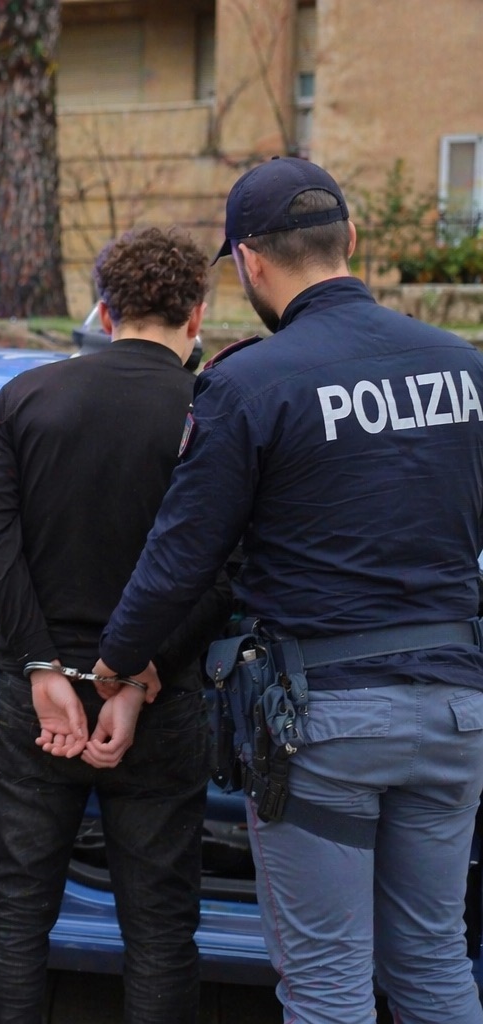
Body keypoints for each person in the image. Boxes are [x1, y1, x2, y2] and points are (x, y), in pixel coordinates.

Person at [95, 157, 483, 1024]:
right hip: (457, 717)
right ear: (351, 239)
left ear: (248, 263)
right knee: (432, 963)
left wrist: (117, 664)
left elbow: (180, 558)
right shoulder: (462, 366)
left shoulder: (250, 383)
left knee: (328, 986)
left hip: (327, 729)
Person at [0, 226, 233, 1023]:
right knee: (158, 929)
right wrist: (141, 674)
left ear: (105, 310)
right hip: (159, 700)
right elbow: (226, 567)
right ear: (196, 314)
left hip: (34, 708)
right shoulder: (212, 411)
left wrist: (44, 669)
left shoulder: (24, 399)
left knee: (15, 913)